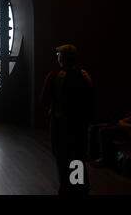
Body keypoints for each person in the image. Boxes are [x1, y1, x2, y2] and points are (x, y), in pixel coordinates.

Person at [40, 44, 94, 195]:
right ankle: (79, 187)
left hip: (60, 126)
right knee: (78, 156)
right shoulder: (85, 76)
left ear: (61, 59)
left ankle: (66, 189)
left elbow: (44, 100)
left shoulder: (54, 77)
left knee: (63, 159)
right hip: (80, 125)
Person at [90, 103, 131, 167]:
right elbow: (122, 120)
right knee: (94, 128)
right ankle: (93, 155)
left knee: (103, 131)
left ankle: (104, 160)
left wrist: (127, 125)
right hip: (124, 127)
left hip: (129, 132)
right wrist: (124, 123)